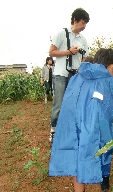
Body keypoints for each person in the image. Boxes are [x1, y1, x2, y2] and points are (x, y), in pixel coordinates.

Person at [48, 48, 113, 192]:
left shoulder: (76, 78)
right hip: (98, 129)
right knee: (103, 153)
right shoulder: (110, 81)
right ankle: (104, 186)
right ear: (112, 66)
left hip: (74, 127)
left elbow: (69, 102)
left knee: (78, 159)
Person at [48, 8, 90, 142]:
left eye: (86, 24)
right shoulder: (62, 33)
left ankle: (70, 131)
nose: (84, 26)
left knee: (74, 104)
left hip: (75, 76)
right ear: (75, 20)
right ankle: (54, 130)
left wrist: (81, 68)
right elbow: (52, 52)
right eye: (82, 23)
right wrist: (69, 52)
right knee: (59, 104)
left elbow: (85, 57)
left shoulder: (83, 39)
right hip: (61, 74)